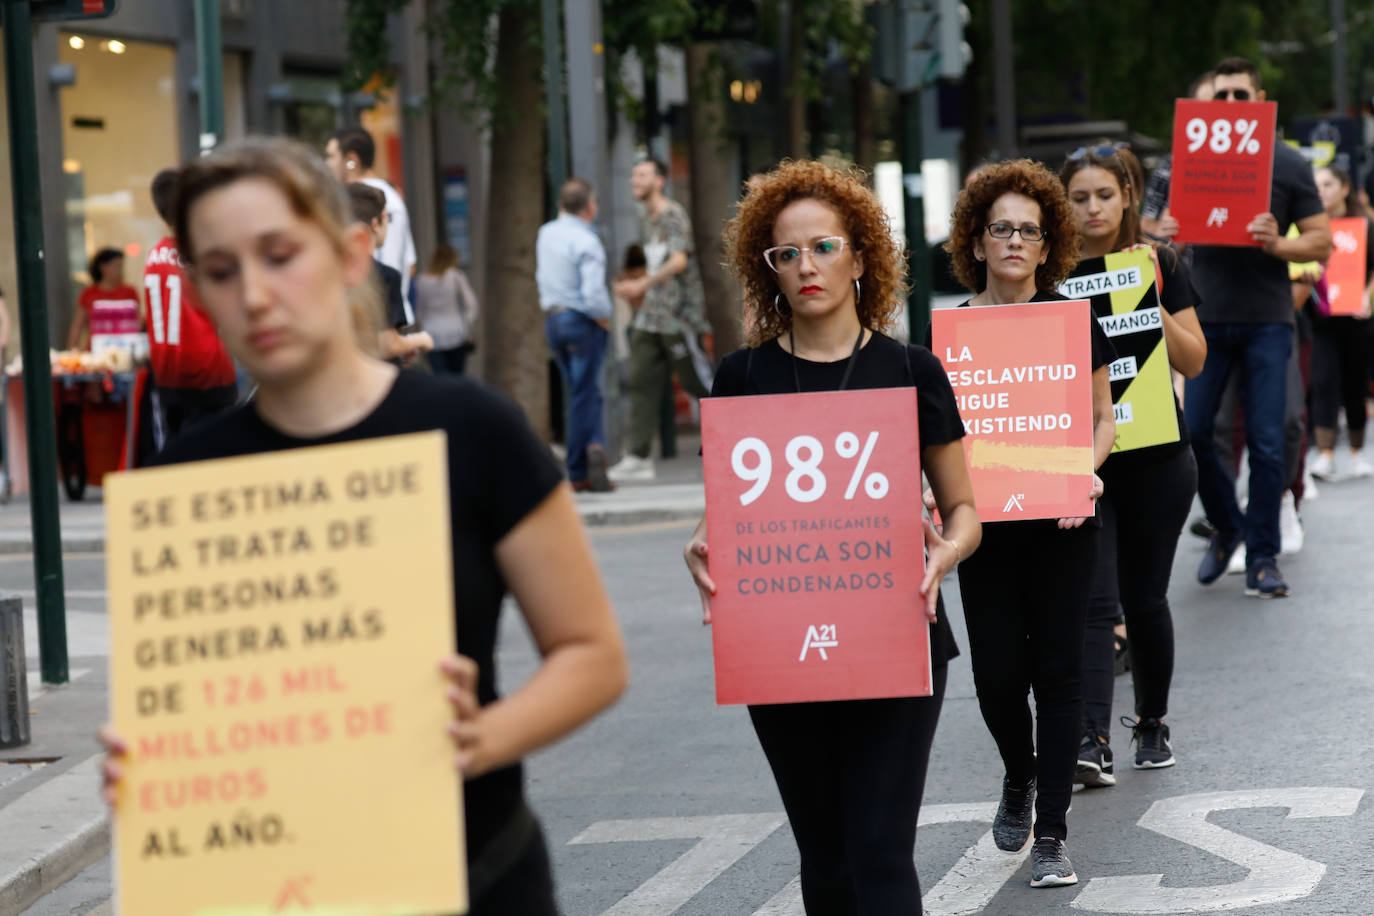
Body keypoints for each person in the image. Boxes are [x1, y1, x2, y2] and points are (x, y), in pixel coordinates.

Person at [98, 137, 628, 915]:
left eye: (280, 255)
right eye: (220, 270)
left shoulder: (472, 429)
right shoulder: (183, 478)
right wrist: (157, 770)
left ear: (352, 256)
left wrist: (480, 736)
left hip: (471, 877)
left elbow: (594, 656)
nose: (253, 294)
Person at [685, 160, 982, 913]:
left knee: (881, 852)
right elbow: (727, 512)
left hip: (897, 635)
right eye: (786, 253)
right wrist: (702, 539)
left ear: (860, 255)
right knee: (825, 858)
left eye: (823, 247)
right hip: (781, 649)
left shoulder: (912, 371)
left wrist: (947, 551)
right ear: (769, 269)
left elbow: (964, 512)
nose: (805, 266)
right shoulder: (741, 378)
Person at [941, 159, 1116, 887]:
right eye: (1000, 229)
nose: (1014, 241)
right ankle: (1018, 771)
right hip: (986, 531)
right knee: (996, 678)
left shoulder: (1073, 320)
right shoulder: (948, 336)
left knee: (1060, 671)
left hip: (1063, 527)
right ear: (976, 243)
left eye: (1029, 230)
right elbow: (938, 443)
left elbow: (1104, 419)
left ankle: (1051, 834)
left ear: (1048, 247)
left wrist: (1086, 474)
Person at [1060, 142, 1207, 783]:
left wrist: (1147, 292)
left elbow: (1193, 359)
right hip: (1085, 459)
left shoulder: (1161, 261)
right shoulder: (1050, 273)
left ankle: (1151, 724)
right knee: (1094, 602)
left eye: (1104, 195)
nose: (1093, 208)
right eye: (1079, 197)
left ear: (1126, 197)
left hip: (1157, 458)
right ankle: (1091, 737)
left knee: (1144, 599)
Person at [1184, 57, 1332, 598]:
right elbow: (1152, 236)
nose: (1229, 106)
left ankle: (1263, 557)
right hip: (1206, 320)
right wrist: (1167, 233)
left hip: (1268, 320)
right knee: (1194, 432)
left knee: (1271, 443)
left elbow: (1321, 240)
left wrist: (1278, 244)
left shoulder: (1287, 163)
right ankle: (1229, 527)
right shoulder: (1188, 159)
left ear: (1259, 99)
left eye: (1239, 96)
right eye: (1220, 95)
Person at [609, 157, 713, 481]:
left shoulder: (672, 215)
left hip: (678, 317)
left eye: (641, 175)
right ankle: (638, 456)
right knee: (641, 380)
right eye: (632, 175)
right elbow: (657, 265)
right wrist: (635, 284)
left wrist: (642, 283)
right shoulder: (647, 219)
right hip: (651, 315)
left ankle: (736, 435)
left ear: (659, 181)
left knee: (696, 382)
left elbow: (679, 261)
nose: (634, 181)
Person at [143, 167, 239, 447]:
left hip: (167, 373)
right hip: (210, 373)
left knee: (177, 453)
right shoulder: (200, 253)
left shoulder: (154, 255)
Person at [536, 178, 615, 493]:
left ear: (560, 205)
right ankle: (577, 470)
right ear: (590, 207)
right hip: (582, 322)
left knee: (583, 393)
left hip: (553, 322)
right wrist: (605, 319)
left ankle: (594, 445)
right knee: (584, 396)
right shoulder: (587, 240)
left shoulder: (546, 233)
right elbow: (593, 293)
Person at [1307, 165, 1374, 480]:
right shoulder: (1309, 228)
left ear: (1345, 188)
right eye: (1317, 185)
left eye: (1328, 184)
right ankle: (1325, 454)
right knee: (1322, 381)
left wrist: (1365, 296)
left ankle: (1357, 452)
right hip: (1322, 317)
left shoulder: (1365, 225)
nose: (1322, 191)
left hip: (1356, 319)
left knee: (1354, 383)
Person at [345, 182, 433, 365]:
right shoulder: (385, 276)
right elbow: (387, 343)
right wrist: (420, 340)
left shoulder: (328, 274)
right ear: (376, 223)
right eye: (387, 218)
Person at [325, 126, 418, 285]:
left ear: (351, 160)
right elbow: (409, 265)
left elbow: (390, 267)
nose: (327, 163)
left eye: (332, 156)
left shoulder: (380, 199)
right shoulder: (370, 196)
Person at [415, 243, 480, 375]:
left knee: (440, 378)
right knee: (457, 378)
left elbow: (419, 310)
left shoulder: (421, 280)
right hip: (456, 333)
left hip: (431, 334)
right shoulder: (456, 276)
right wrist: (466, 322)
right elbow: (471, 304)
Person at [67, 248, 140, 351]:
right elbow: (77, 326)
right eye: (116, 265)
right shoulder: (89, 293)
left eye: (121, 266)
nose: (120, 270)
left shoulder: (130, 292)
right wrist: (71, 351)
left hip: (126, 351)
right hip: (96, 352)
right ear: (103, 267)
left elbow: (137, 322)